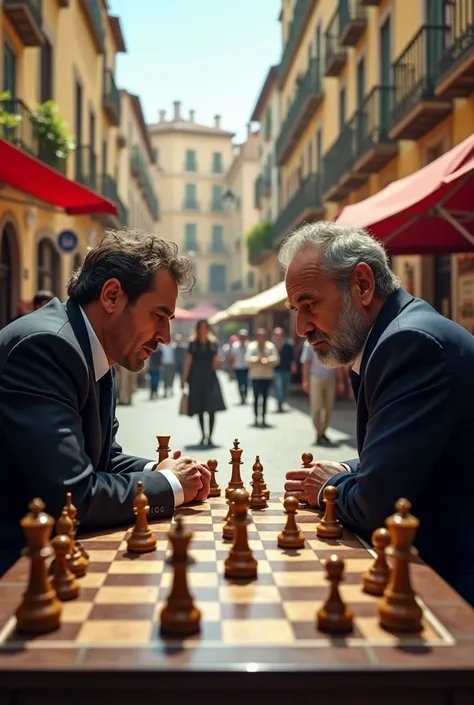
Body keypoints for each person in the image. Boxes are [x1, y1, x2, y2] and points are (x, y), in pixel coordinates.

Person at [280, 221, 474, 606]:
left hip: (454, 584)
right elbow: (409, 450)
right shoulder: (397, 333)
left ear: (363, 286)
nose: (301, 327)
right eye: (295, 310)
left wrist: (326, 487)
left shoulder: (409, 343)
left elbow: (374, 506)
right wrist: (351, 470)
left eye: (309, 304)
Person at [0, 228, 211, 577]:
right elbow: (73, 495)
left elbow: (102, 457)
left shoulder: (93, 348)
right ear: (112, 296)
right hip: (16, 568)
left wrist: (156, 470)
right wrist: (171, 485)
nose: (166, 337)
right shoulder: (46, 348)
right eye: (159, 316)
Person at [181, 319, 226, 447]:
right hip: (196, 378)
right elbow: (188, 362)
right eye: (201, 327)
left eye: (205, 327)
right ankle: (203, 435)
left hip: (210, 378)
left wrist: (219, 361)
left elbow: (216, 364)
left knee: (212, 408)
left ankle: (210, 436)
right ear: (198, 329)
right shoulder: (193, 344)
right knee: (199, 408)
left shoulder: (213, 343)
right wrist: (183, 379)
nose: (203, 330)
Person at [245, 328, 279, 427]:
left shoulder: (270, 346)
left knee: (264, 398)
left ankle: (263, 418)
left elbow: (276, 359)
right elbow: (247, 359)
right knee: (256, 398)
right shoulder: (251, 346)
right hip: (255, 376)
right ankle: (256, 417)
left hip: (266, 376)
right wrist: (257, 360)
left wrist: (267, 360)